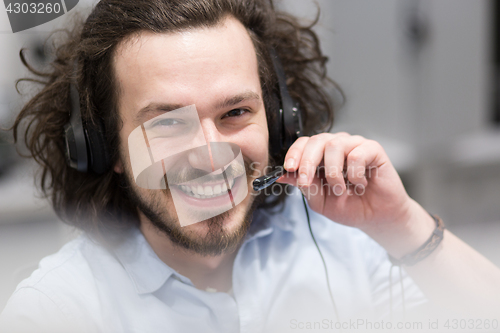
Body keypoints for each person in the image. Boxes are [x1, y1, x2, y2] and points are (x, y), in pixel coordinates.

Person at [1, 0, 499, 332]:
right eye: (168, 124)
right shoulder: (55, 310)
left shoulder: (346, 248)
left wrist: (403, 225)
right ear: (105, 147)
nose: (210, 152)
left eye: (235, 112)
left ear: (279, 122)